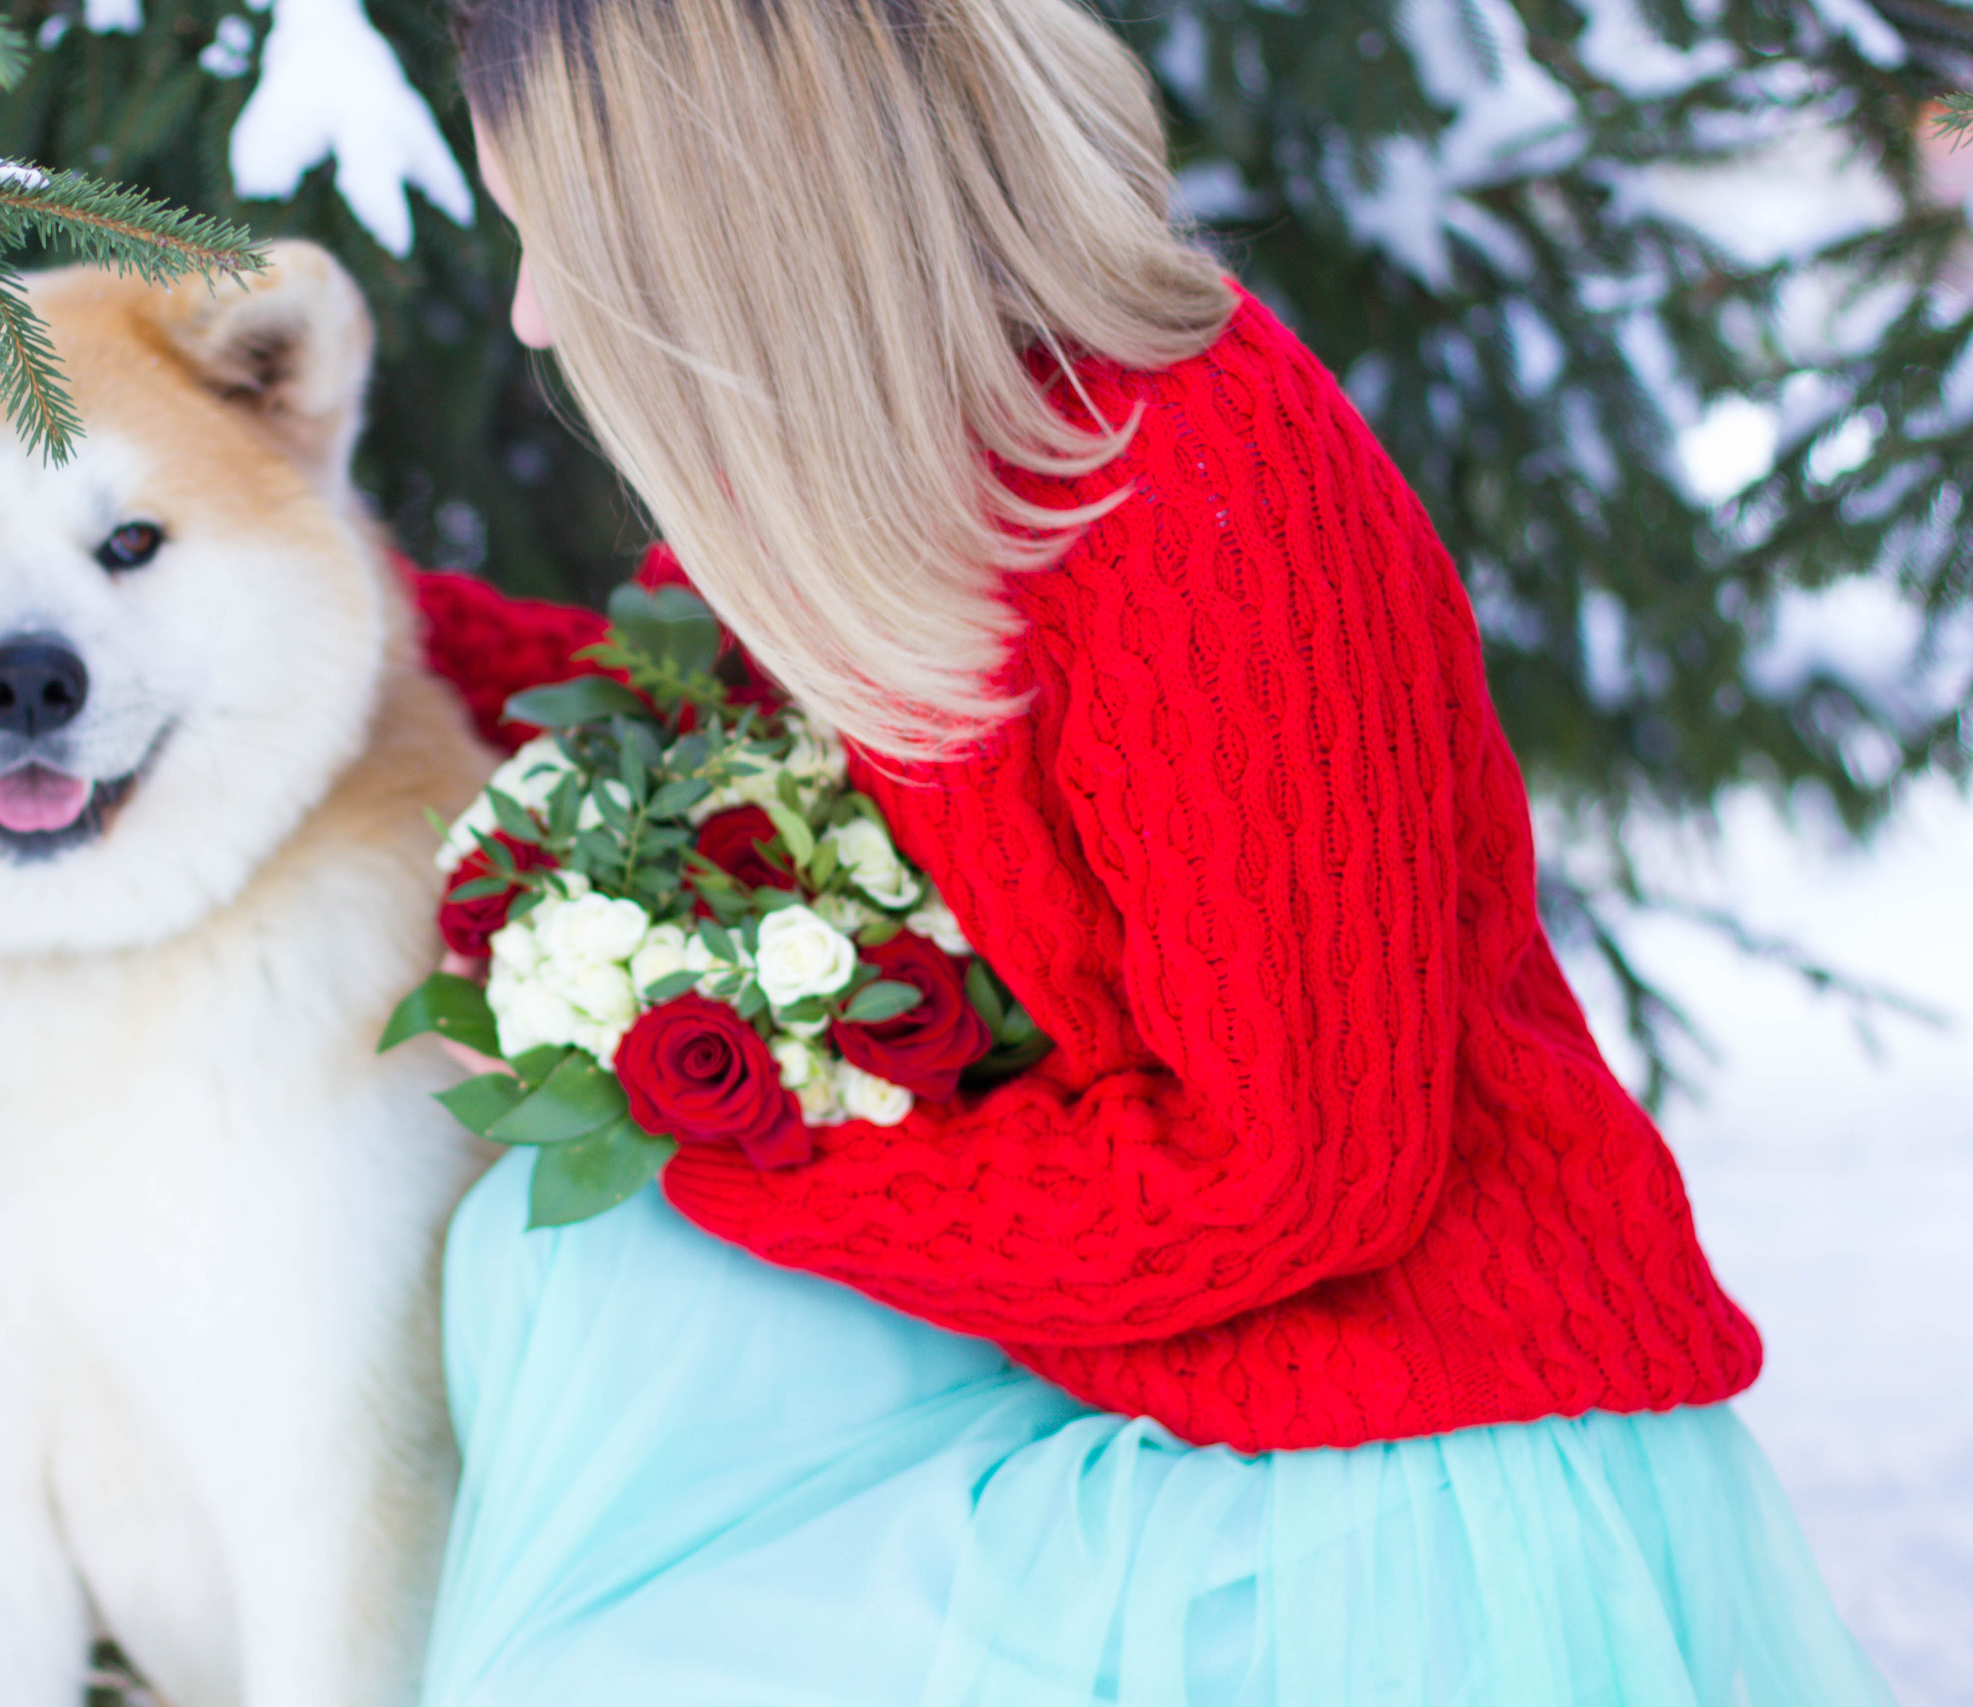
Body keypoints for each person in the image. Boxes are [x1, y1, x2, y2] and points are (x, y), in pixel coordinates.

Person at [399, 0, 1897, 1700]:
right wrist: (349, 613)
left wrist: (744, 1163)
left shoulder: (1194, 492)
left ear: (731, 217)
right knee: (569, 1266)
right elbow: (721, 725)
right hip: (1223, 1392)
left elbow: (1292, 1172)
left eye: (554, 236)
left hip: (1407, 1456)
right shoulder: (965, 461)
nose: (530, 307)